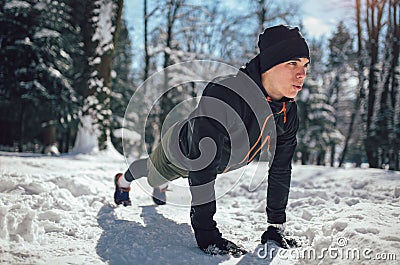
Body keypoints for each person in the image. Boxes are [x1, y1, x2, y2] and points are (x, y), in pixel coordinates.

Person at [113, 25, 310, 255]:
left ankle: (161, 186)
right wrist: (206, 233)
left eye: (306, 65)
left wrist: (276, 226)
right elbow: (201, 164)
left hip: (214, 163)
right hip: (180, 152)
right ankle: (123, 182)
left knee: (162, 180)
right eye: (292, 63)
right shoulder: (226, 93)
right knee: (152, 172)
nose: (302, 74)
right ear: (268, 64)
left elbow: (280, 167)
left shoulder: (287, 112)